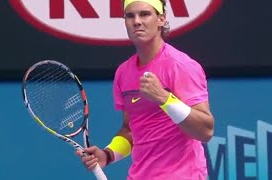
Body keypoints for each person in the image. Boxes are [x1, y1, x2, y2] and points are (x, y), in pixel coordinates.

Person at [76, 0, 215, 179]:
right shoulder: (123, 73)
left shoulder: (181, 66)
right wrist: (108, 155)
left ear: (161, 19)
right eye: (130, 16)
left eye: (144, 14)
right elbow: (130, 129)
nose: (137, 21)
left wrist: (166, 99)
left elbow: (205, 131)